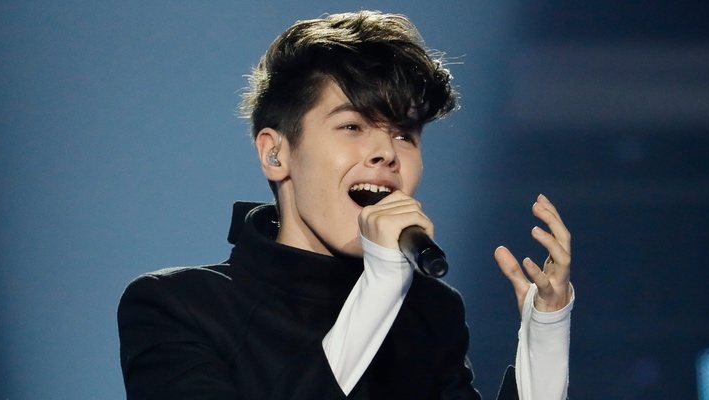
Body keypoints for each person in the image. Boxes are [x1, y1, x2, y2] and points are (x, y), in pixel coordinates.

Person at [118, 11, 574, 400]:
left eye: (404, 134)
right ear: (275, 153)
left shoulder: (429, 314)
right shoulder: (178, 306)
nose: (386, 153)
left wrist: (545, 335)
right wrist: (382, 284)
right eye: (353, 126)